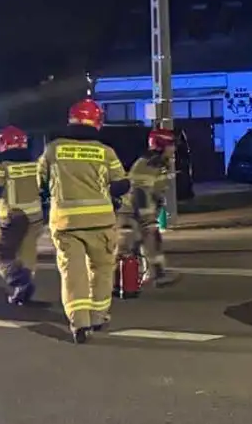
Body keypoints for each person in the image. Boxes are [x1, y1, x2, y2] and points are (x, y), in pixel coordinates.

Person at [39, 99, 130, 343]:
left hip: (66, 224)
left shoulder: (53, 149)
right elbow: (121, 184)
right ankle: (98, 316)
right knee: (101, 270)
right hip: (101, 222)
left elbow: (41, 183)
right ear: (97, 122)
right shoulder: (105, 151)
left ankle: (79, 323)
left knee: (73, 273)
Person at [0, 126, 42, 304]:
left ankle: (18, 281)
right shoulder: (35, 165)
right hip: (36, 217)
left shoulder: (1, 167)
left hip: (13, 217)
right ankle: (23, 289)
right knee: (27, 254)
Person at [123, 127, 176, 286]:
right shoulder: (147, 165)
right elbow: (140, 193)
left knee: (144, 243)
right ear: (160, 145)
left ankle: (154, 275)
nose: (173, 148)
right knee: (132, 245)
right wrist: (148, 218)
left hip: (140, 211)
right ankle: (127, 280)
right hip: (133, 212)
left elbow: (155, 192)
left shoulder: (159, 164)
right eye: (170, 144)